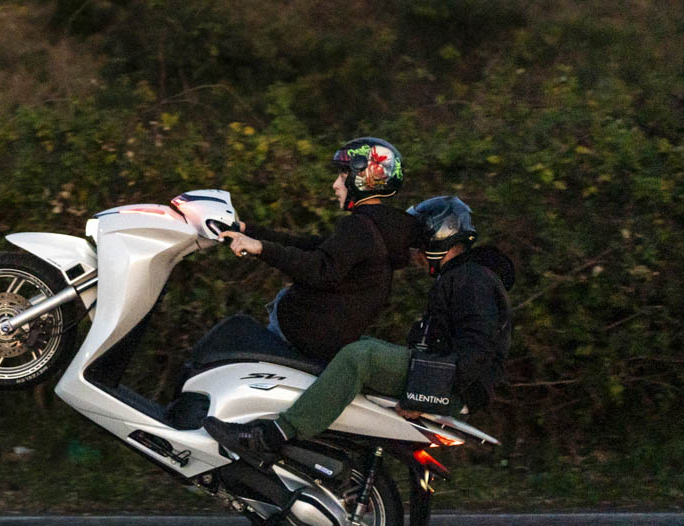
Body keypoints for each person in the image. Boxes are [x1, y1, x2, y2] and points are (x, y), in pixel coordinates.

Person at [204, 195, 514, 466]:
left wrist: (423, 395)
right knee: (349, 346)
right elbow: (314, 246)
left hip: (455, 387)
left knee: (360, 356)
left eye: (419, 243)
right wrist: (251, 231)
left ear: (439, 238)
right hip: (445, 377)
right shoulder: (463, 276)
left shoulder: (471, 278)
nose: (414, 253)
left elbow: (478, 350)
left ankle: (272, 436)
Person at [217, 137, 420, 364]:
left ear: (364, 178)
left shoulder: (361, 228)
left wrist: (261, 248)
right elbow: (309, 246)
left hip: (300, 338)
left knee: (225, 341)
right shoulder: (378, 229)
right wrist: (247, 230)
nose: (335, 185)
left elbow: (319, 269)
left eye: (342, 176)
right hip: (318, 341)